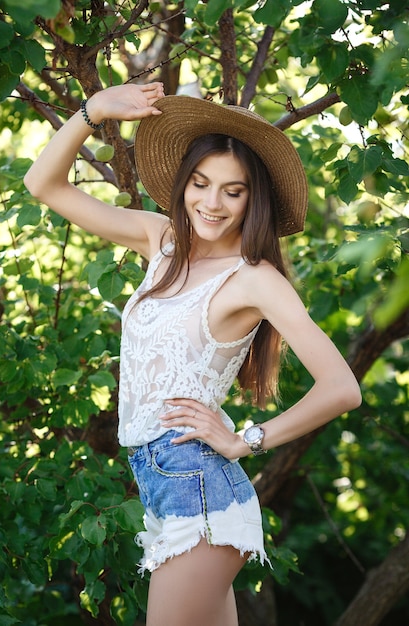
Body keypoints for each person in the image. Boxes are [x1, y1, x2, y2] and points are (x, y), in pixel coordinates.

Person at [24, 82, 361, 626]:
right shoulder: (159, 243)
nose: (212, 202)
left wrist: (244, 440)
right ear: (183, 184)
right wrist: (94, 111)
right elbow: (42, 184)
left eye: (234, 190)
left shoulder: (255, 280)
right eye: (201, 184)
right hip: (162, 482)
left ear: (254, 199)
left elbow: (343, 388)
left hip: (200, 488)